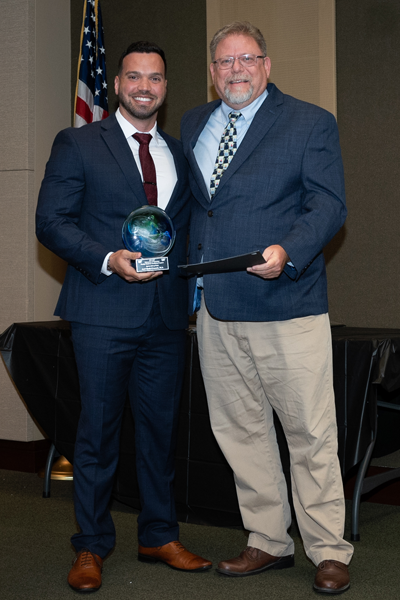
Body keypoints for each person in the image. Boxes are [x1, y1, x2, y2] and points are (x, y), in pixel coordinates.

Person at [180, 21, 354, 594]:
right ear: (212, 72)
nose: (236, 70)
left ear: (266, 64)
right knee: (240, 433)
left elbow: (327, 205)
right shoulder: (192, 124)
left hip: (287, 305)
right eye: (224, 62)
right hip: (216, 312)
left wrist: (290, 251)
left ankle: (329, 548)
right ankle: (267, 541)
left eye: (246, 59)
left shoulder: (309, 122)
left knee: (309, 433)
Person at [36, 41, 211, 594]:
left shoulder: (182, 153)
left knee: (160, 434)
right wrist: (107, 258)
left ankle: (159, 534)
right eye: (134, 76)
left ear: (165, 86)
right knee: (98, 434)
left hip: (164, 315)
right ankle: (90, 545)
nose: (144, 86)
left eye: (155, 78)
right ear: (116, 83)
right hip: (103, 311)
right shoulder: (78, 142)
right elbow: (52, 222)